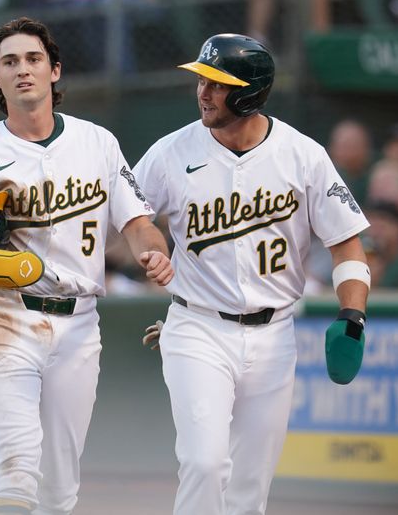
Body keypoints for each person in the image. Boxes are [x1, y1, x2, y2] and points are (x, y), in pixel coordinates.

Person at [0, 17, 173, 515]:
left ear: (55, 70)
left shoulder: (97, 143)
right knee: (14, 467)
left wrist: (154, 249)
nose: (23, 70)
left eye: (34, 59)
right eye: (9, 62)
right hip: (6, 319)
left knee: (60, 490)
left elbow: (138, 220)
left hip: (81, 323)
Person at [132, 33, 371, 515]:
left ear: (250, 91)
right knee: (204, 463)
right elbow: (127, 216)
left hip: (274, 334)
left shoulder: (303, 156)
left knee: (249, 486)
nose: (202, 91)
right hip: (196, 325)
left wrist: (352, 315)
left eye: (216, 83)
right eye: (201, 80)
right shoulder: (170, 152)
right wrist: (150, 248)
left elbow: (347, 244)